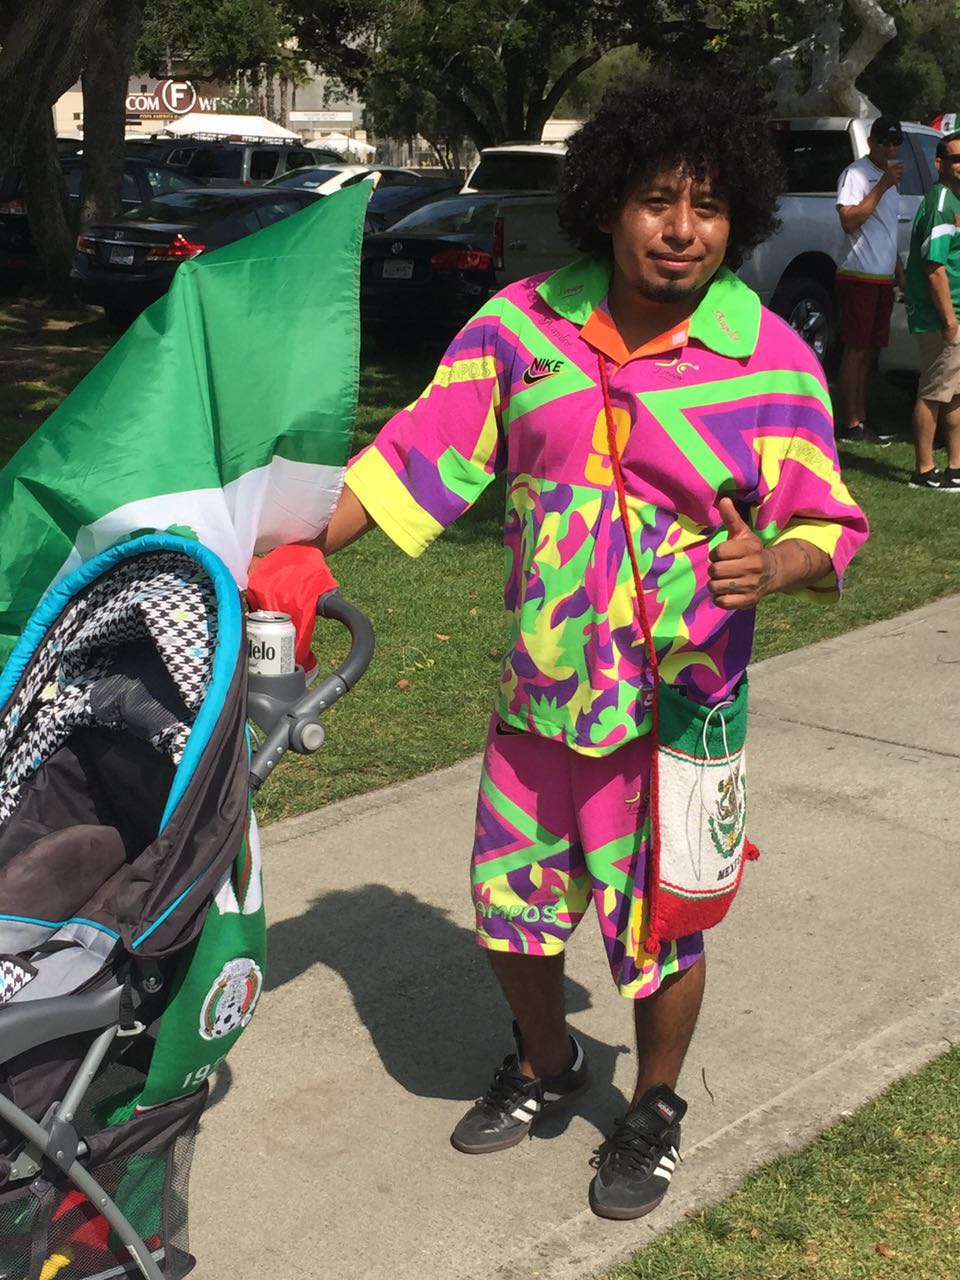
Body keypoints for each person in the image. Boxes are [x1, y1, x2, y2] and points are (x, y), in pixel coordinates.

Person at [309, 83, 869, 1219]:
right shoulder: (520, 330)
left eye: (709, 207)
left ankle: (654, 1104)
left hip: (678, 714)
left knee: (664, 927)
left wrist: (776, 564)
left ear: (737, 218)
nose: (683, 229)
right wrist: (289, 550)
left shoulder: (769, 359)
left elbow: (829, 521)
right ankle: (548, 1059)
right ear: (609, 204)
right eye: (658, 200)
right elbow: (415, 452)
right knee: (508, 906)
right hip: (541, 702)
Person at [835, 115, 906, 446]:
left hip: (881, 277)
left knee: (870, 352)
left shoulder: (890, 180)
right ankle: (850, 422)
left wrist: (900, 273)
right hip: (858, 274)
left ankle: (861, 416)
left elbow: (886, 231)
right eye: (885, 142)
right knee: (856, 349)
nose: (891, 148)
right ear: (871, 143)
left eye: (896, 143)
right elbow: (849, 221)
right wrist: (881, 186)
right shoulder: (856, 174)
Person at [903, 129, 960, 491]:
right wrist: (949, 320)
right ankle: (924, 470)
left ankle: (955, 466)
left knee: (954, 393)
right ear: (940, 164)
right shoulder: (941, 203)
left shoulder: (955, 200)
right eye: (956, 158)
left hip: (954, 314)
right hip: (941, 316)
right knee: (933, 392)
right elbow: (934, 267)